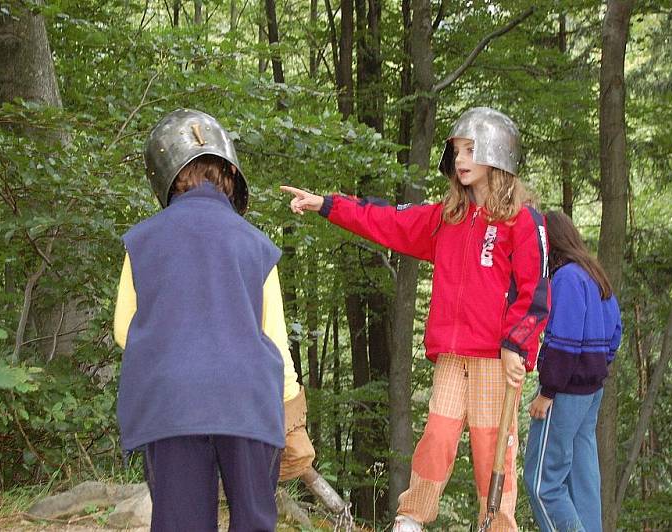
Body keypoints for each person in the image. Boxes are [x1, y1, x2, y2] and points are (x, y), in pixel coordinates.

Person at [281, 107, 550, 531]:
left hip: (495, 360)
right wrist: (327, 205)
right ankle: (411, 518)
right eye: (457, 151)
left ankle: (496, 524)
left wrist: (519, 344)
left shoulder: (522, 220)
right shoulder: (447, 217)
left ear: (498, 155)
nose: (460, 160)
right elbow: (386, 219)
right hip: (451, 355)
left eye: (470, 150)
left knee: (491, 447)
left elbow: (535, 292)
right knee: (437, 439)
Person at [113, 108, 314, 532]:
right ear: (230, 177)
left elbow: (123, 331)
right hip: (246, 401)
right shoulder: (256, 245)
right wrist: (292, 413)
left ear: (164, 178)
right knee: (254, 521)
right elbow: (274, 340)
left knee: (180, 524)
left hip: (172, 403)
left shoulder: (142, 241)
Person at [523, 210, 622, 532]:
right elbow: (616, 334)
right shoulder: (595, 275)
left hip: (565, 393)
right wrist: (596, 367)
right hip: (591, 392)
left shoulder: (566, 278)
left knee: (542, 482)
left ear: (548, 242)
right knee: (583, 481)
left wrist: (548, 391)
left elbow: (564, 343)